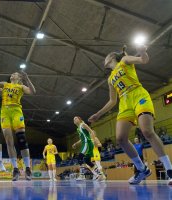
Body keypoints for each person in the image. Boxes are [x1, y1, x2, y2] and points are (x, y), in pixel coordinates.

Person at [88, 46, 172, 184]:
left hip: (138, 96)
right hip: (124, 104)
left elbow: (143, 60)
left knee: (147, 131)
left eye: (106, 57)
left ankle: (169, 170)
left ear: (112, 57)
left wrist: (143, 51)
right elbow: (112, 100)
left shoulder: (125, 61)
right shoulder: (110, 79)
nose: (104, 59)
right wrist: (99, 114)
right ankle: (142, 169)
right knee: (120, 138)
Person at [0, 65, 36, 181]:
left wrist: (27, 78)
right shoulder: (5, 84)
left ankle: (28, 168)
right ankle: (15, 169)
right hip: (4, 113)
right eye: (12, 74)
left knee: (21, 139)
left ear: (19, 78)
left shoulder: (21, 86)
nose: (12, 74)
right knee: (9, 141)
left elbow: (32, 91)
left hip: (16, 112)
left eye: (15, 74)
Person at [72, 116, 105, 181]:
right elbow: (82, 139)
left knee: (79, 157)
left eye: (76, 118)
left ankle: (82, 175)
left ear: (80, 119)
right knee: (87, 161)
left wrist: (94, 140)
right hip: (85, 143)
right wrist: (76, 143)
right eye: (73, 119)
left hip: (87, 143)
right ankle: (101, 175)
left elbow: (91, 132)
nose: (74, 120)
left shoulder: (83, 125)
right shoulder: (78, 129)